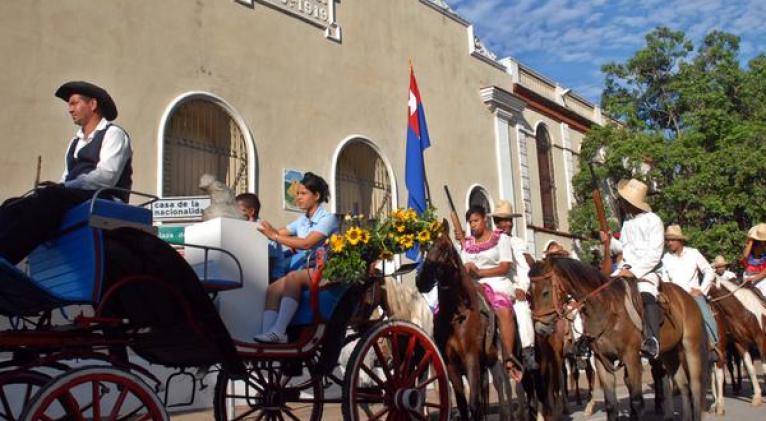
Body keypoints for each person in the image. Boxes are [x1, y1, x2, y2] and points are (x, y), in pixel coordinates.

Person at [0, 81, 132, 265]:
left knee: (51, 196)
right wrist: (59, 187)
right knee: (13, 205)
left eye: (74, 103)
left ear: (92, 105)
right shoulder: (74, 143)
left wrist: (63, 188)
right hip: (76, 195)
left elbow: (106, 177)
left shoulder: (114, 134)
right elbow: (66, 177)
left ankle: (8, 256)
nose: (70, 109)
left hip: (104, 197)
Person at [253, 172, 338, 343]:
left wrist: (274, 236)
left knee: (292, 277)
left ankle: (279, 332)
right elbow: (278, 233)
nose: (298, 198)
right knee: (272, 289)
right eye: (297, 194)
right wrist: (258, 225)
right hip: (308, 269)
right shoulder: (302, 220)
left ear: (316, 196)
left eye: (303, 194)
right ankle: (267, 334)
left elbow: (306, 243)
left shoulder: (328, 219)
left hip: (326, 269)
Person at [609, 179, 664, 359]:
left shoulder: (654, 220)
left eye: (624, 200)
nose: (622, 203)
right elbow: (624, 249)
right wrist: (608, 240)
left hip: (648, 271)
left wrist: (635, 272)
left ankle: (652, 340)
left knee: (646, 295)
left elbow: (655, 254)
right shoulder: (627, 223)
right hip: (626, 269)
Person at [488, 200, 538, 371]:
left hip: (512, 287)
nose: (508, 223)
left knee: (522, 309)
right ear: (496, 222)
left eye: (510, 220)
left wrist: (522, 288)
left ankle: (527, 349)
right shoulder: (489, 240)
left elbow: (524, 268)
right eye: (504, 220)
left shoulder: (517, 242)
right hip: (490, 286)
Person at [660, 225, 719, 361]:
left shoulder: (693, 253)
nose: (669, 243)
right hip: (674, 298)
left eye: (672, 240)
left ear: (680, 241)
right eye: (668, 240)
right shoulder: (666, 259)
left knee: (705, 314)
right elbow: (664, 280)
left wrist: (701, 290)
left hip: (693, 296)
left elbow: (708, 271)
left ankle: (712, 345)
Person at [741, 223, 766, 300]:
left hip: (761, 280)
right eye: (762, 244)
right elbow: (744, 258)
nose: (764, 247)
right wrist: (751, 241)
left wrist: (753, 279)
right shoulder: (748, 255)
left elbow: (764, 273)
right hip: (747, 279)